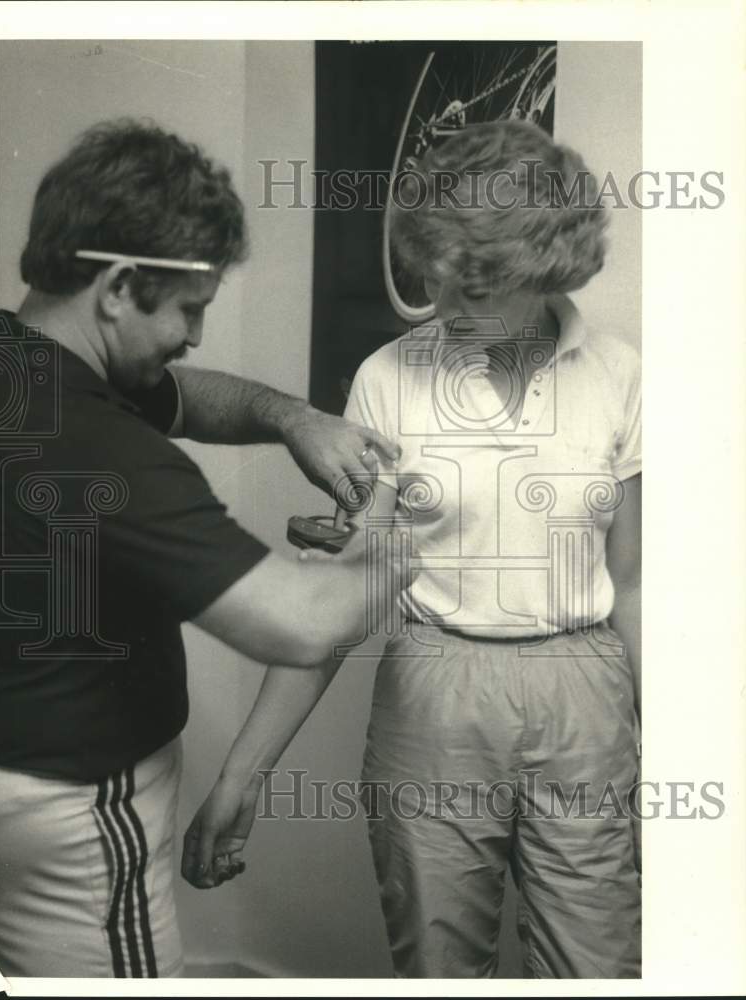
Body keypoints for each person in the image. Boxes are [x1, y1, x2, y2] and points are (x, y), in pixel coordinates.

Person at [184, 120, 642, 979]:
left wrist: (674, 748)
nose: (445, 311)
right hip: (431, 689)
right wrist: (243, 776)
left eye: (473, 291)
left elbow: (634, 582)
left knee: (600, 966)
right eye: (435, 285)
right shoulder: (387, 378)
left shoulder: (617, 374)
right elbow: (336, 608)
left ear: (541, 271)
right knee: (437, 967)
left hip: (586, 688)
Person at [0, 118, 402, 979]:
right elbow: (298, 625)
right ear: (119, 287)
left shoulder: (13, 361)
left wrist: (293, 418)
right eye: (189, 308)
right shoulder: (105, 445)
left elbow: (183, 394)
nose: (196, 336)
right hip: (69, 805)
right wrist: (419, 537)